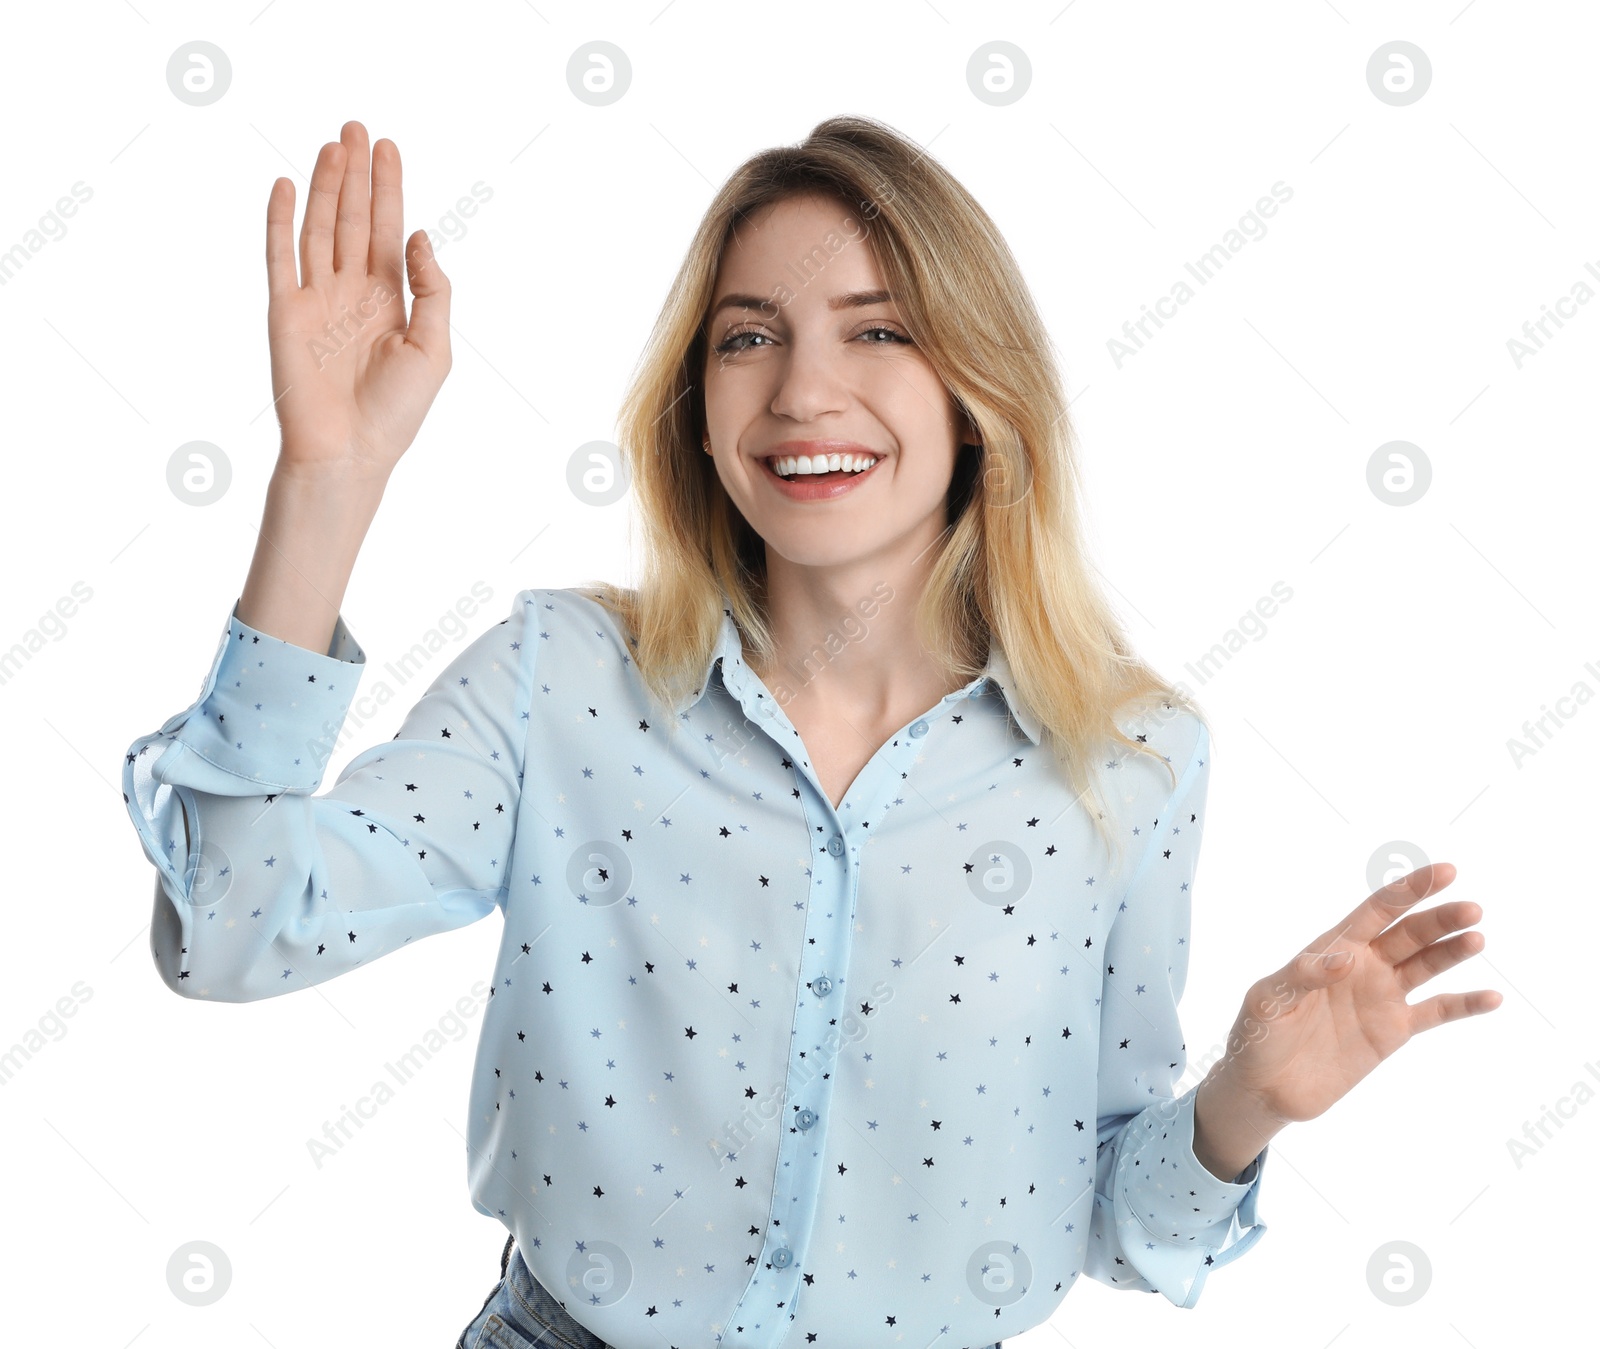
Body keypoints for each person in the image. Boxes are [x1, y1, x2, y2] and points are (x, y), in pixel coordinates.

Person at [120, 117, 1502, 1349]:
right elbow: (231, 924)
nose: (800, 390)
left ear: (980, 389)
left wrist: (1237, 1110)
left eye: (878, 327)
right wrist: (329, 479)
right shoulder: (560, 679)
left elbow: (1107, 1216)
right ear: (698, 404)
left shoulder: (1133, 760)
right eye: (748, 334)